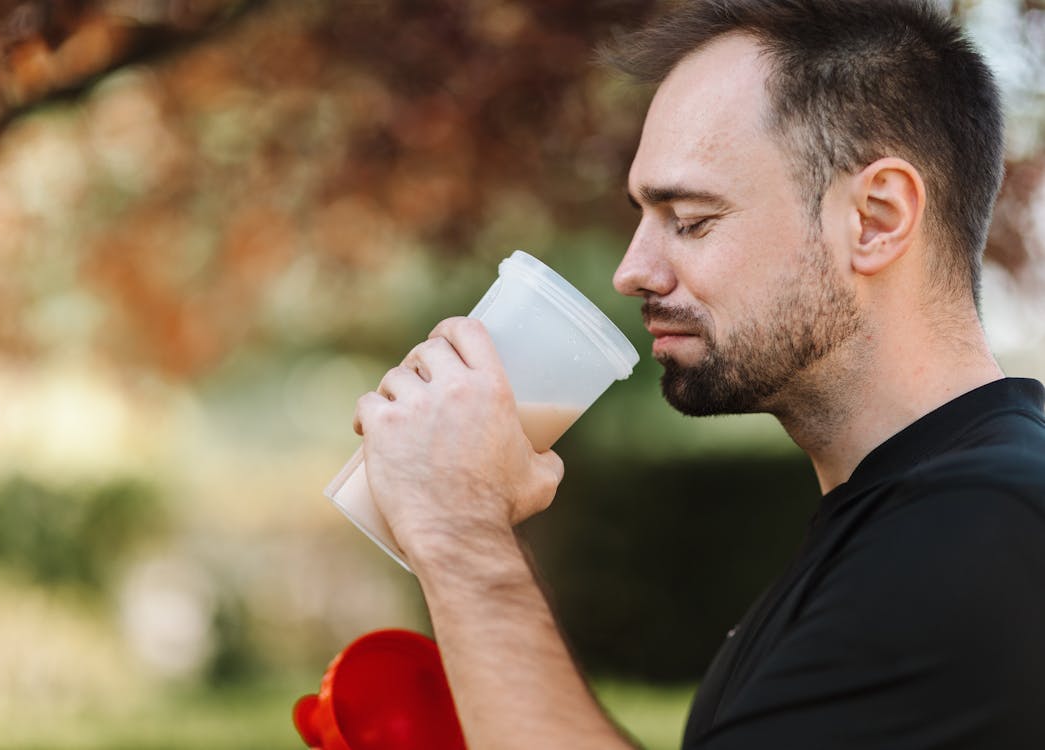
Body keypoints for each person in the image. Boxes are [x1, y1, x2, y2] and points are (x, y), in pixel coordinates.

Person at [352, 0, 1045, 747]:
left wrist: (461, 531)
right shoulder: (909, 521)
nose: (631, 271)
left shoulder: (984, 527)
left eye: (690, 219)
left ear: (874, 218)